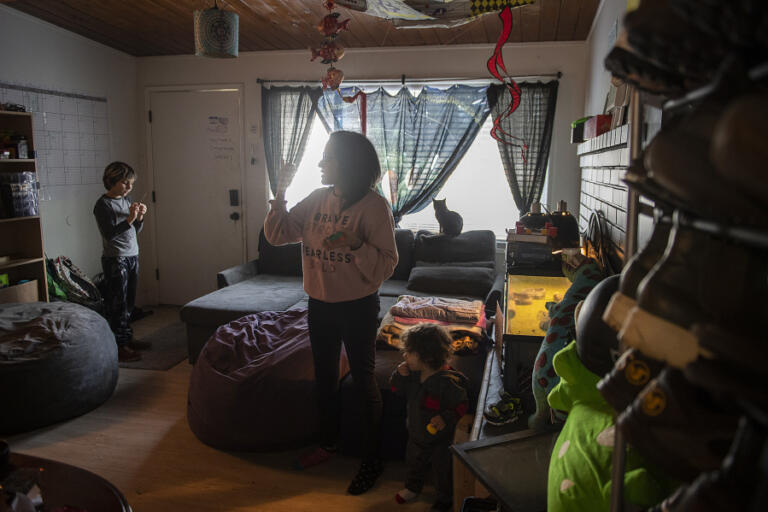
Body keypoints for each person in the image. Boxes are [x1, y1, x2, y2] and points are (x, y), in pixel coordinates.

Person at [263, 131, 398, 495]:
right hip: (319, 304)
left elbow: (387, 264)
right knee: (324, 378)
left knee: (363, 380)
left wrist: (356, 244)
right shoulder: (318, 199)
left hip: (357, 307)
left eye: (328, 157)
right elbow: (279, 234)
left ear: (348, 164)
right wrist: (279, 194)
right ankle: (328, 443)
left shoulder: (373, 207)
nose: (321, 164)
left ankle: (372, 459)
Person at [390, 324, 469, 511]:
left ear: (427, 357)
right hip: (416, 432)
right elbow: (396, 390)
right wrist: (399, 376)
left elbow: (462, 405)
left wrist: (445, 417)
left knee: (442, 469)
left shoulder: (448, 382)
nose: (404, 356)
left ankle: (444, 497)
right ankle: (412, 487)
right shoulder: (412, 375)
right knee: (414, 462)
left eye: (409, 353)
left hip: (441, 440)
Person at [93, 161, 149, 363]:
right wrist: (129, 219)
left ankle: (127, 338)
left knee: (129, 302)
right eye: (125, 183)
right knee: (118, 303)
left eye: (131, 183)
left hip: (132, 255)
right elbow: (109, 234)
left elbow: (135, 231)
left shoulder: (127, 200)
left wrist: (139, 218)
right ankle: (118, 346)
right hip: (115, 259)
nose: (129, 187)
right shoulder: (103, 205)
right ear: (112, 181)